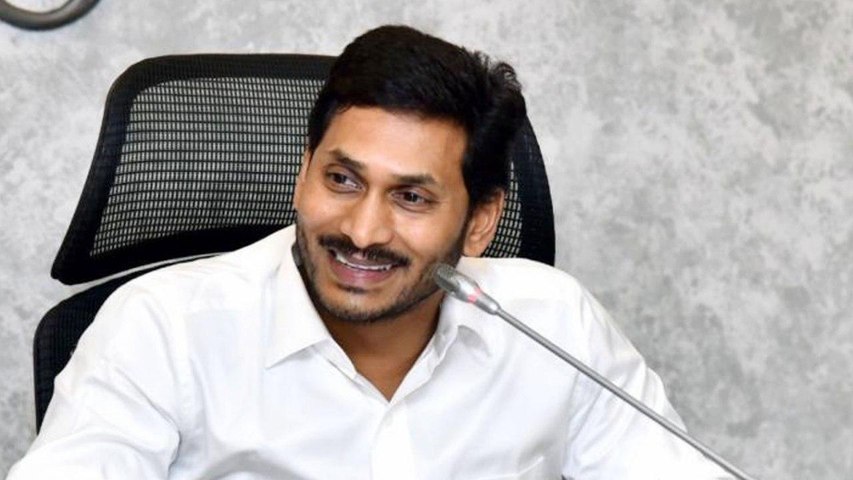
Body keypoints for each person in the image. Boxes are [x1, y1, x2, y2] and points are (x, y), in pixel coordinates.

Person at [8, 25, 732, 479]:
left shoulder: (554, 321)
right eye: (342, 180)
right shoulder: (162, 326)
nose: (361, 230)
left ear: (479, 222)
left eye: (411, 197)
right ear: (303, 172)